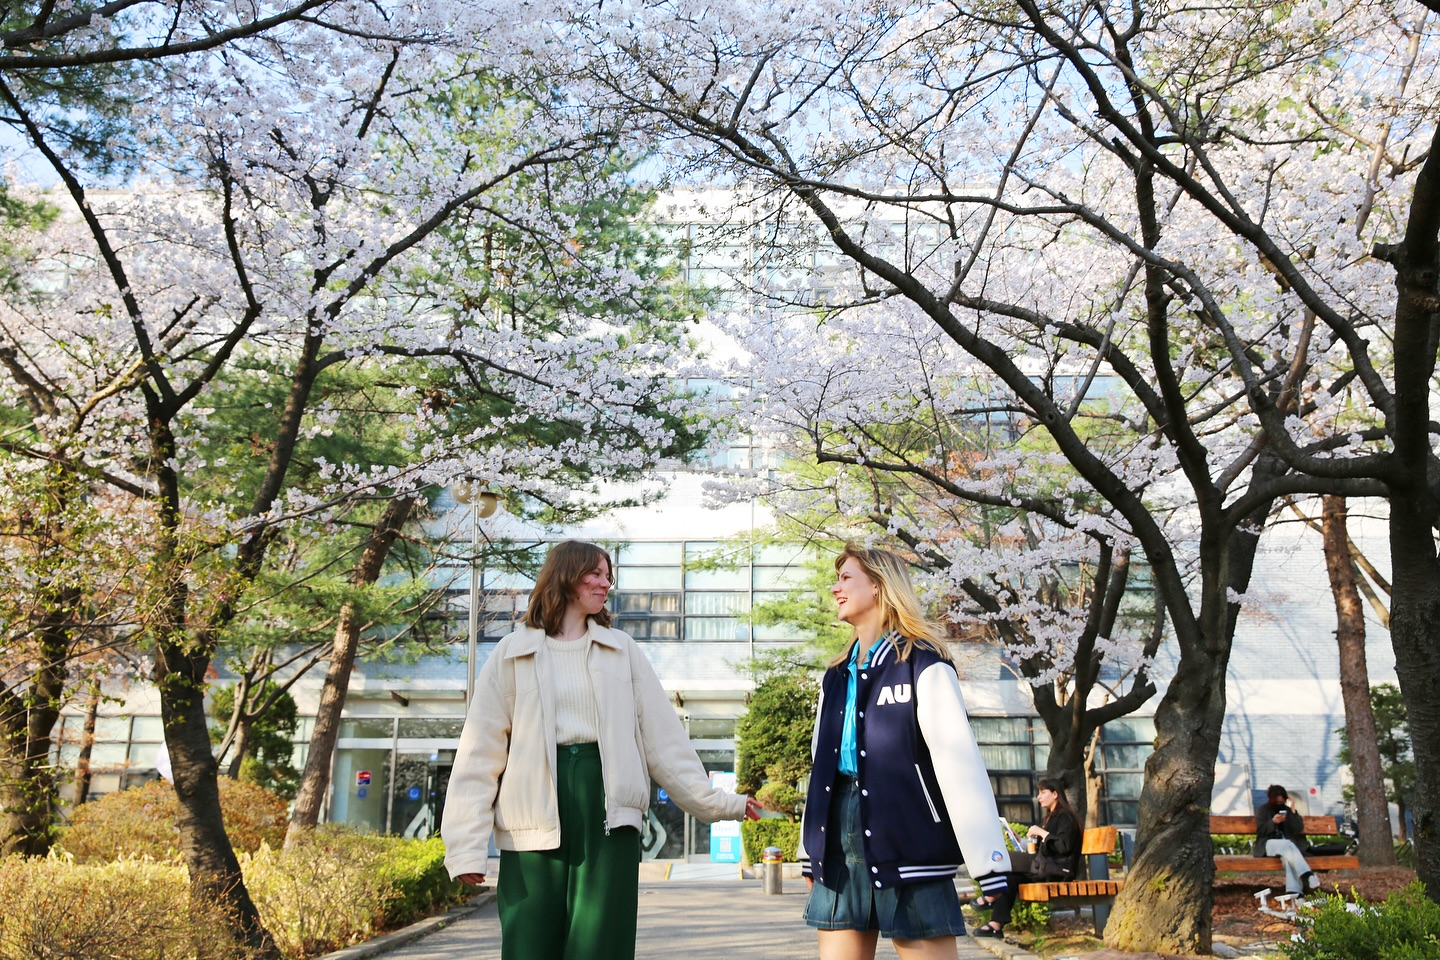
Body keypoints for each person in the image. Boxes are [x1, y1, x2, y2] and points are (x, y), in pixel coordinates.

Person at [441, 539, 761, 960]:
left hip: (609, 808)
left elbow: (664, 743)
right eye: (594, 573)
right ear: (565, 577)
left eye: (608, 574)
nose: (605, 582)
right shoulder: (510, 652)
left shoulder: (621, 650)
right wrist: (465, 845)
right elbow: (480, 753)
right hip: (531, 806)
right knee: (528, 941)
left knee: (602, 943)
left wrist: (721, 804)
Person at [798, 544, 1013, 959]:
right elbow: (820, 767)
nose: (835, 587)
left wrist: (990, 863)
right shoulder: (835, 677)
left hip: (909, 836)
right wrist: (811, 851)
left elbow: (959, 765)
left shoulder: (922, 664)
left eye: (846, 578)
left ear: (878, 586)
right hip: (839, 843)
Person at [970, 779, 1081, 938]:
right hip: (1046, 866)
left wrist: (1042, 832)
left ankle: (991, 896)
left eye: (1043, 792)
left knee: (1006, 858)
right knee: (1010, 878)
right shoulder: (1052, 817)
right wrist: (1020, 841)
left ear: (1055, 794)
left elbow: (1064, 847)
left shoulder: (1065, 817)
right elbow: (1045, 848)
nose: (1039, 797)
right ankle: (996, 925)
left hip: (1060, 869)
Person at [1254, 784, 1320, 896]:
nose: (1280, 805)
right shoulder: (1263, 810)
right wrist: (1273, 822)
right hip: (1268, 844)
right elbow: (1261, 831)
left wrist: (1293, 810)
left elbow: (1298, 828)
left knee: (1287, 859)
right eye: (1277, 802)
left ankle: (1295, 893)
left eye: (1282, 802)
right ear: (1271, 800)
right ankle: (1308, 875)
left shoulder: (1287, 810)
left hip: (1288, 847)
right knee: (1287, 844)